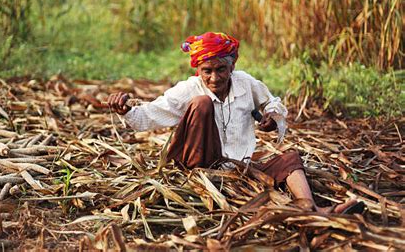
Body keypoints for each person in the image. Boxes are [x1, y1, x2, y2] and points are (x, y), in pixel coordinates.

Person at [107, 32, 363, 214]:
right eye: (207, 71)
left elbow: (272, 103)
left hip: (235, 166)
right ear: (198, 70)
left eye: (221, 69)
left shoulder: (245, 83)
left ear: (232, 67)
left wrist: (271, 118)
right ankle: (203, 174)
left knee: (291, 159)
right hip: (197, 167)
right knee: (201, 104)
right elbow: (148, 115)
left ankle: (312, 210)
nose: (215, 77)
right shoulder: (189, 89)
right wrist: (125, 109)